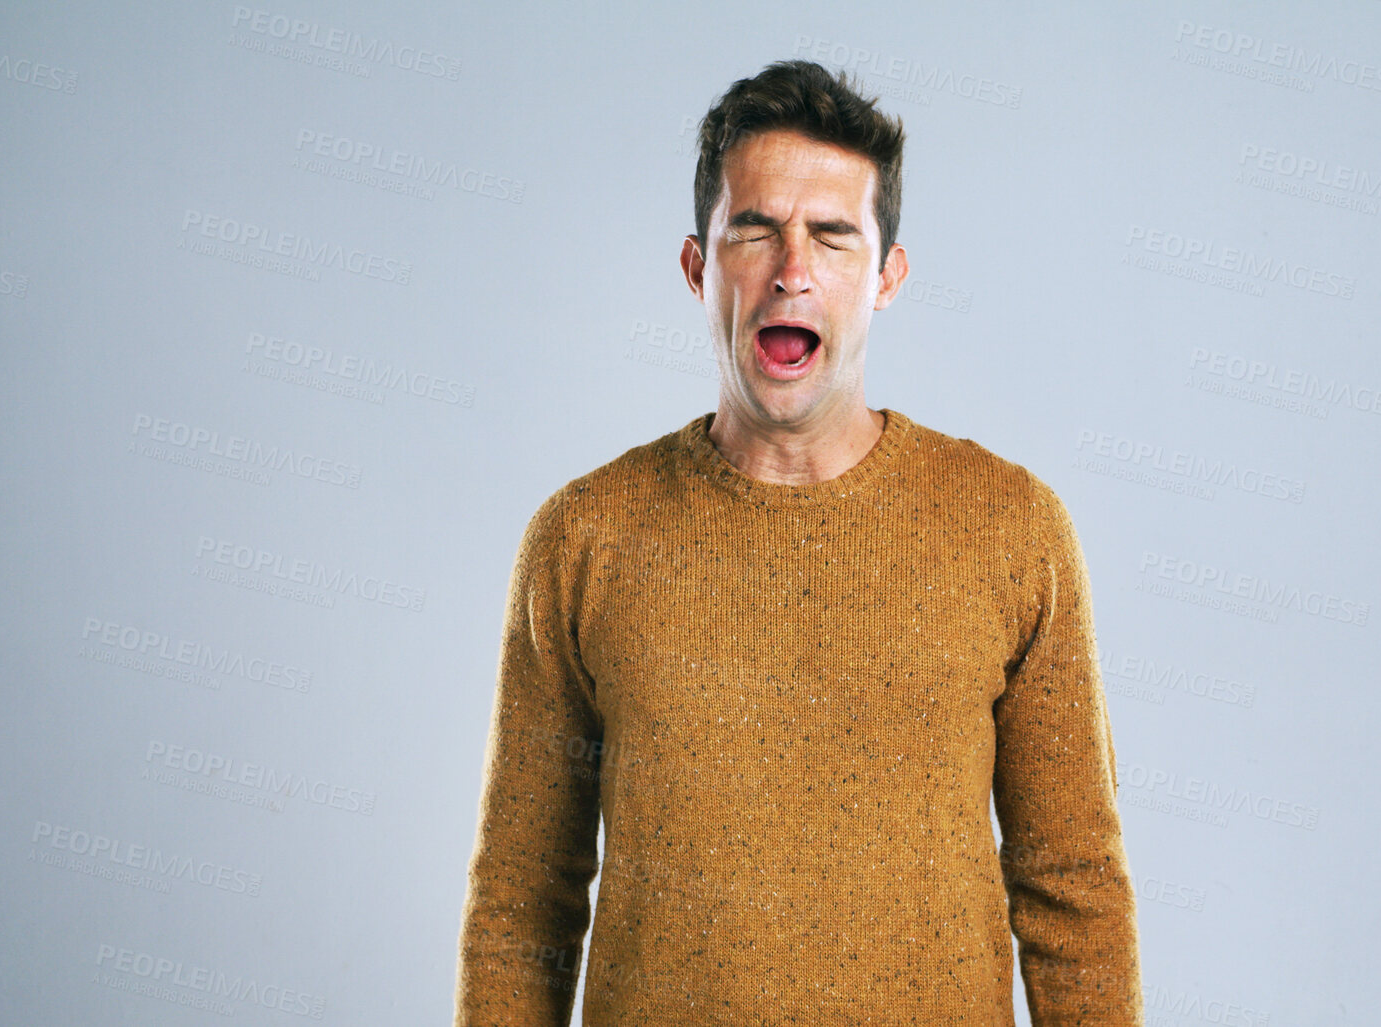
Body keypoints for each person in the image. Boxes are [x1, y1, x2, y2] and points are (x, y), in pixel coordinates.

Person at [456, 58, 1142, 1026]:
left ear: (887, 277)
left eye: (832, 235)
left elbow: (1075, 893)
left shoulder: (1012, 528)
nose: (793, 270)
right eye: (754, 229)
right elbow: (523, 902)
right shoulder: (582, 540)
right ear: (699, 269)